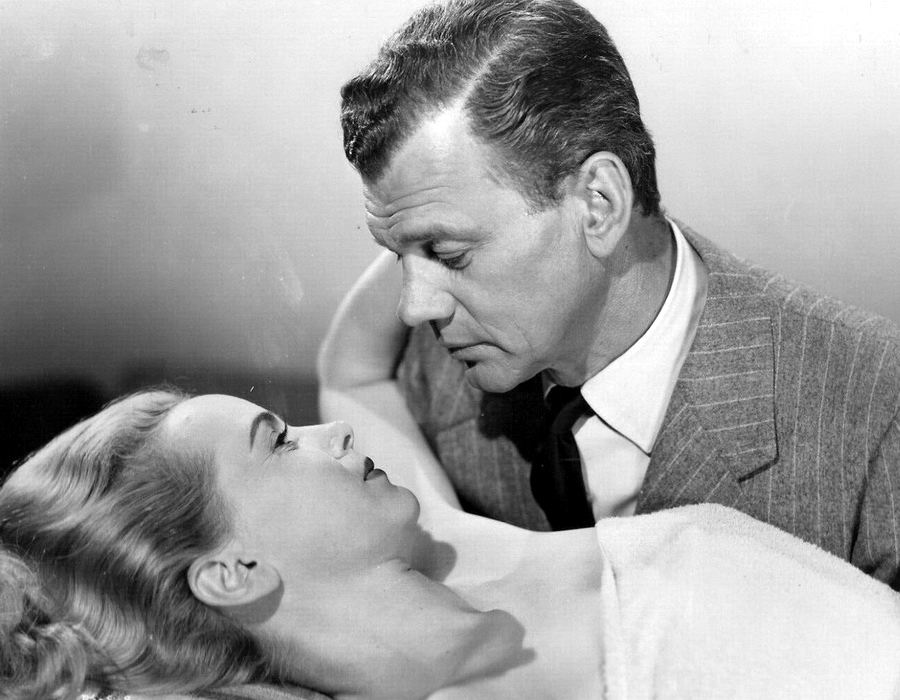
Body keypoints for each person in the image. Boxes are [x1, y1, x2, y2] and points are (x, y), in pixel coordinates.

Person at [325, 0, 900, 587]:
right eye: (399, 255)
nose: (413, 308)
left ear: (599, 204)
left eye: (449, 254)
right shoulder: (432, 368)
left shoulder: (877, 407)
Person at [2, 389, 900, 700]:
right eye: (277, 442)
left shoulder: (447, 542)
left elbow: (355, 364)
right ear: (233, 572)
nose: (330, 434)